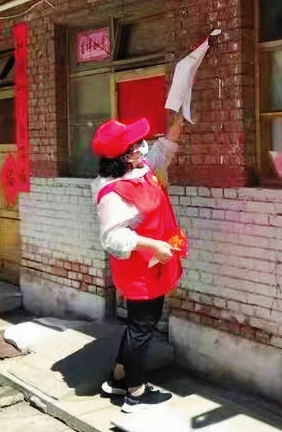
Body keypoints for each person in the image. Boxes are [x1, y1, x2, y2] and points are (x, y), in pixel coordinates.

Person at [90, 114, 188, 413]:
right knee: (142, 328)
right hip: (138, 268)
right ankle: (135, 393)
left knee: (139, 325)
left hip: (154, 263)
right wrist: (153, 245)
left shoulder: (139, 169)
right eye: (134, 145)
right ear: (122, 156)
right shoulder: (111, 191)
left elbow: (160, 154)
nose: (141, 147)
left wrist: (177, 126)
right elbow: (113, 238)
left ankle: (119, 378)